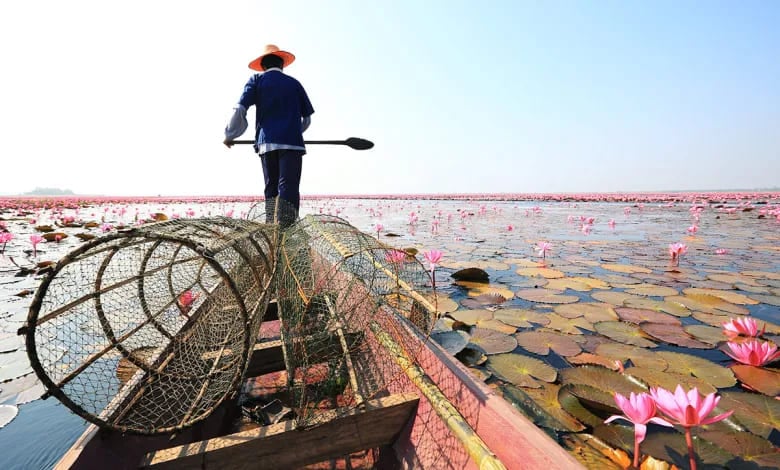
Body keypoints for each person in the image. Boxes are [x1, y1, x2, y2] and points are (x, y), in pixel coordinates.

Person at [223, 44, 314, 226]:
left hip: (267, 143)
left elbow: (240, 109)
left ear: (263, 66)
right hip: (292, 143)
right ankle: (287, 228)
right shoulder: (294, 83)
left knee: (271, 187)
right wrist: (293, 131)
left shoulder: (257, 80)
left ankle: (270, 225)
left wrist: (230, 135)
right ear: (282, 65)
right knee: (288, 186)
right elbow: (307, 119)